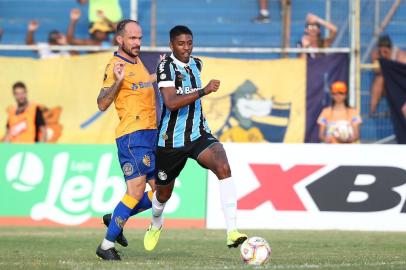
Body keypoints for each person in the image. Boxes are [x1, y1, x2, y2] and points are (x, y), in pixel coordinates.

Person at [143, 25, 247, 252]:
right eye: (181, 44)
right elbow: (170, 102)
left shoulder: (196, 64)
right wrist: (204, 90)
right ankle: (155, 223)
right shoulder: (165, 67)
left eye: (189, 43)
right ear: (171, 45)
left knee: (223, 166)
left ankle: (232, 231)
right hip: (170, 142)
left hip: (198, 134)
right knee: (162, 194)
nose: (186, 48)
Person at [95, 19, 159, 261]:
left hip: (150, 133)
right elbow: (101, 103)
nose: (138, 43)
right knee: (135, 191)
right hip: (133, 136)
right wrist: (119, 81)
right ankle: (106, 245)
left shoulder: (137, 62)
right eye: (132, 38)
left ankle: (115, 218)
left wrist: (158, 73)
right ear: (120, 39)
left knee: (161, 192)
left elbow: (141, 83)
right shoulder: (115, 65)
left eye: (140, 38)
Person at [370, 34, 406, 114]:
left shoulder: (400, 56)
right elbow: (377, 71)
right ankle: (372, 111)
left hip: (401, 86)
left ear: (390, 49)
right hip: (390, 86)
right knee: (379, 80)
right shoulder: (376, 54)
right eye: (381, 52)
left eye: (385, 52)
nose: (383, 55)